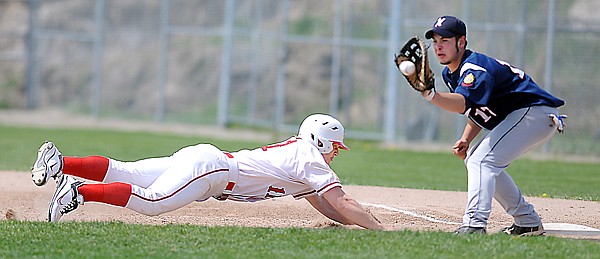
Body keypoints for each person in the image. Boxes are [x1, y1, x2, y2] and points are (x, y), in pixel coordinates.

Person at [31, 114, 385, 230]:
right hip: (213, 172)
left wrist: (351, 222)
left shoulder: (301, 155)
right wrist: (379, 229)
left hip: (208, 162)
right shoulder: (308, 157)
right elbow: (341, 198)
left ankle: (61, 163)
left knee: (129, 172)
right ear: (321, 140)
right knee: (152, 202)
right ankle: (77, 190)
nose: (337, 152)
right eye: (335, 145)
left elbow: (325, 204)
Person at [420, 16, 566, 235]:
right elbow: (479, 109)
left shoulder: (474, 69)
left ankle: (474, 224)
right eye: (436, 40)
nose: (439, 46)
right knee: (476, 160)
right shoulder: (451, 72)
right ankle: (527, 221)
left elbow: (463, 103)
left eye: (446, 40)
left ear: (462, 42)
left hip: (534, 113)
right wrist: (466, 139)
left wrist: (430, 95)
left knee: (482, 161)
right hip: (526, 115)